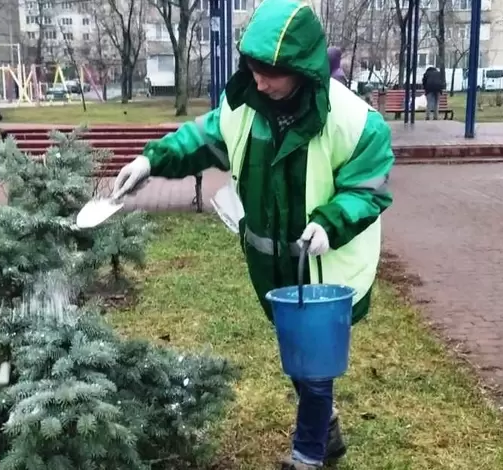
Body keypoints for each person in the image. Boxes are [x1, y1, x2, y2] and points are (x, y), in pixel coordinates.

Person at [112, 0, 393, 468]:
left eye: (271, 72)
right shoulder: (244, 107)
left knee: (316, 365)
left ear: (301, 68)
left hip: (326, 265)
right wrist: (151, 161)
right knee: (301, 358)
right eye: (254, 68)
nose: (260, 81)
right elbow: (201, 139)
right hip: (273, 265)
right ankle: (328, 432)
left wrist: (330, 221)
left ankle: (307, 457)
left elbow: (367, 189)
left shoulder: (357, 123)